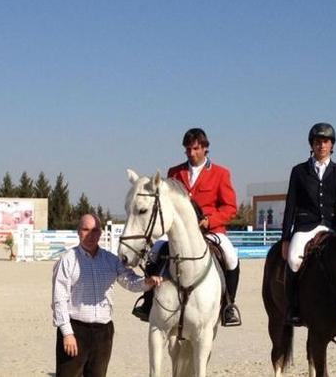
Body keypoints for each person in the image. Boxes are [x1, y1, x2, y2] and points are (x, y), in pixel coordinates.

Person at [132, 128, 242, 326]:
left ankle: (228, 306)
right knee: (155, 252)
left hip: (210, 231)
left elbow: (230, 207)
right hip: (178, 232)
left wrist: (209, 220)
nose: (191, 153)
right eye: (187, 149)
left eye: (195, 148)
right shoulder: (175, 173)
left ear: (205, 148)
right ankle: (148, 302)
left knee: (231, 257)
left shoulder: (220, 173)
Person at [51, 214, 161, 377]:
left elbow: (130, 282)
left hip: (103, 333)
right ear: (78, 232)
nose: (90, 235)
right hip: (76, 330)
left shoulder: (111, 260)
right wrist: (67, 333)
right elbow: (59, 299)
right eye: (85, 229)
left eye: (95, 230)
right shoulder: (67, 260)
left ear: (101, 233)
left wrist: (148, 282)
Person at [281, 122, 336, 326]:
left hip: (332, 225)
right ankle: (293, 307)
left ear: (332, 145)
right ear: (312, 145)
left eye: (326, 142)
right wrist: (286, 238)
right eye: (318, 142)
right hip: (305, 226)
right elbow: (290, 205)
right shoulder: (299, 171)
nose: (322, 145)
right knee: (294, 260)